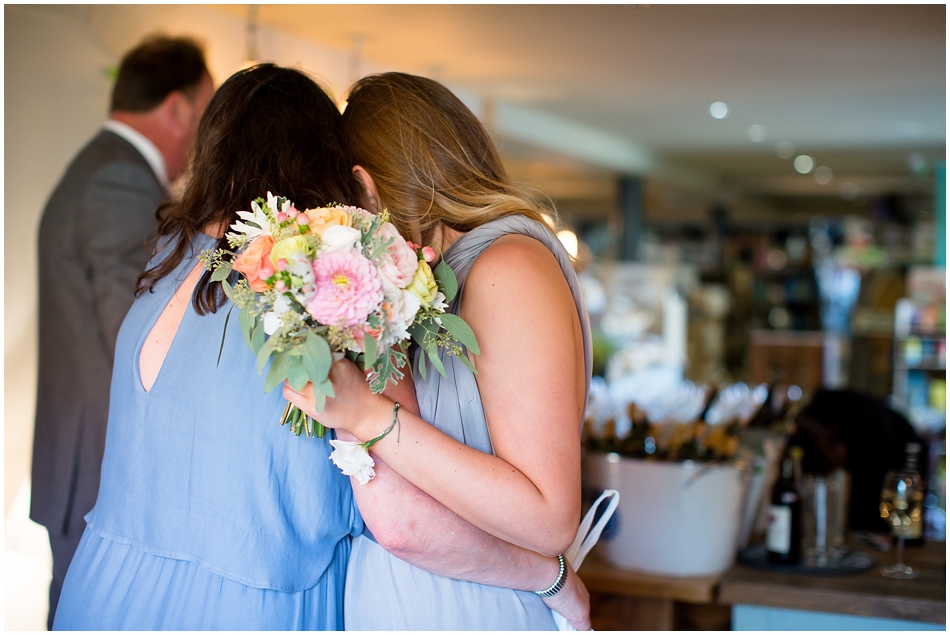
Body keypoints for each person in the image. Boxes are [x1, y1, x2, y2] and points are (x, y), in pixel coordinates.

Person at [52, 64, 590, 631]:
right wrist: (549, 578)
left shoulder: (164, 269)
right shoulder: (320, 298)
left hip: (104, 590)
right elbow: (401, 520)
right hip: (249, 610)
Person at [284, 71, 593, 630]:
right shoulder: (431, 279)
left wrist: (369, 415)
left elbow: (548, 518)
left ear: (364, 184)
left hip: (477, 609)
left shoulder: (507, 267)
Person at [31, 34, 212, 627]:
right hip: (103, 463)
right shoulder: (120, 180)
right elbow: (134, 338)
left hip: (84, 457)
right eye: (205, 112)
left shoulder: (99, 166)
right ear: (177, 107)